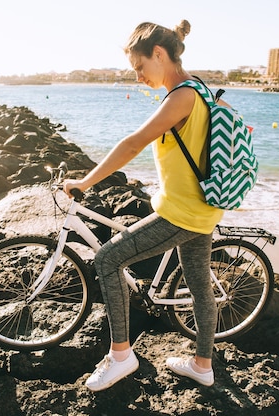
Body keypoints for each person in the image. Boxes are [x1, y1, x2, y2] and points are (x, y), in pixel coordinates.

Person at [63, 20, 224, 392]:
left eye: (139, 67)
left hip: (182, 213)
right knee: (199, 284)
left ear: (158, 54)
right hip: (203, 208)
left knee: (107, 260)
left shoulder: (181, 96)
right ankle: (202, 365)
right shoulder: (198, 87)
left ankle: (122, 356)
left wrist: (85, 181)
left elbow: (133, 143)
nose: (138, 77)